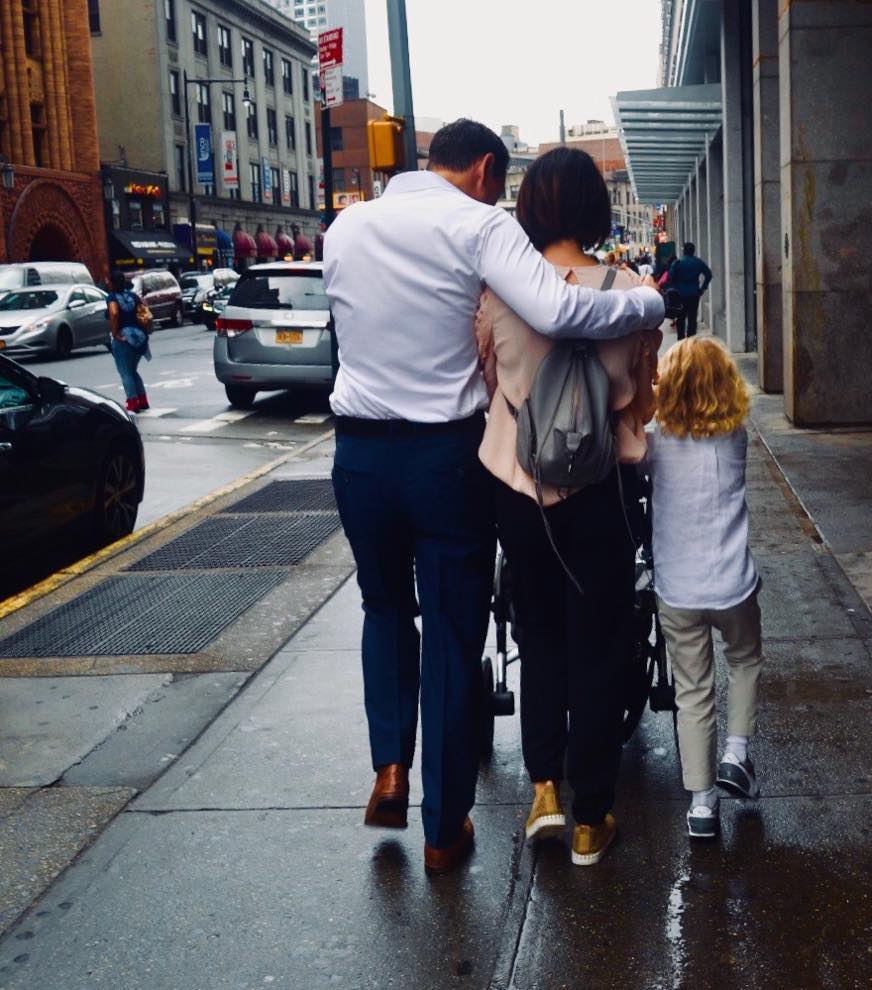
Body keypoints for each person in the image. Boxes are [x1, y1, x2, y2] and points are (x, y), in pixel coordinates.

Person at [322, 119, 664, 877]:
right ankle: (445, 832)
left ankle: (390, 764)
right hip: (448, 463)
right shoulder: (478, 226)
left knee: (385, 608)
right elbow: (564, 311)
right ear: (484, 169)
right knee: (452, 636)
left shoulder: (345, 228)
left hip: (361, 456)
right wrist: (646, 304)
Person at [476, 146, 662, 868]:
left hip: (521, 494)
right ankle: (594, 817)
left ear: (528, 209)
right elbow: (643, 398)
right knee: (602, 644)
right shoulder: (628, 290)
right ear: (593, 209)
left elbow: (487, 377)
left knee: (540, 638)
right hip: (604, 494)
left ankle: (544, 791)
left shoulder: (501, 296)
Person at [646, 337, 764, 840]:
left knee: (693, 691)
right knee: (744, 659)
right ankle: (736, 753)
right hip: (733, 581)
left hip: (679, 587)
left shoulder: (654, 437)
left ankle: (701, 805)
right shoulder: (735, 434)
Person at [106, 270, 150, 412]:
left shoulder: (112, 297)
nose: (107, 283)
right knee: (132, 371)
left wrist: (115, 333)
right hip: (140, 338)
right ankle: (142, 400)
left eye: (108, 281)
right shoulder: (133, 296)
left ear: (112, 283)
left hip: (124, 339)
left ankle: (133, 402)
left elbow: (114, 312)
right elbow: (144, 311)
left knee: (125, 372)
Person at [669, 242, 712, 339]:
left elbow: (670, 277)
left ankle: (681, 340)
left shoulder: (677, 263)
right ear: (693, 251)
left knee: (681, 318)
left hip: (680, 295)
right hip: (694, 294)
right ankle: (691, 340)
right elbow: (708, 274)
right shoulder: (698, 262)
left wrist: (676, 286)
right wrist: (703, 288)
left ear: (684, 251)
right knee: (692, 318)